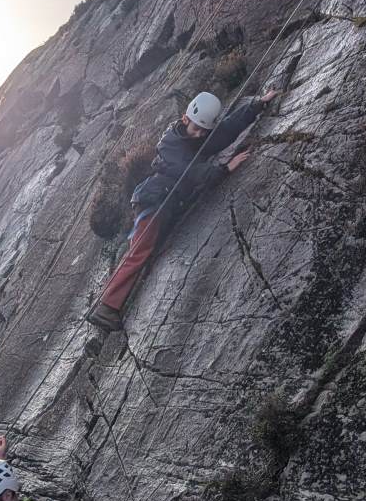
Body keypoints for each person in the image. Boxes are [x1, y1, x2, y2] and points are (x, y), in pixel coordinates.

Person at [87, 86, 278, 331]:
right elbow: (190, 172)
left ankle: (113, 302)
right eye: (196, 128)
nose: (199, 134)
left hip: (165, 203)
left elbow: (224, 130)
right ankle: (106, 308)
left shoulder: (192, 138)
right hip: (153, 202)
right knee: (140, 251)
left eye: (203, 131)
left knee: (145, 251)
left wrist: (257, 104)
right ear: (185, 119)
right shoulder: (171, 143)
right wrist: (225, 169)